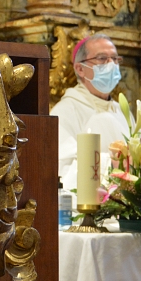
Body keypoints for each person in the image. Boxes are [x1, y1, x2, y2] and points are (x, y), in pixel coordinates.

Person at [51, 34, 129, 204]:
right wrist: (115, 166)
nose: (111, 65)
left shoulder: (121, 111)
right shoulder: (64, 112)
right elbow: (61, 170)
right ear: (80, 69)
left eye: (115, 59)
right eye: (102, 59)